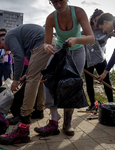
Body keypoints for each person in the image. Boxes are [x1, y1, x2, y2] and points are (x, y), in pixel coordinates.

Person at [34, 0, 95, 136]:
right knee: (47, 80)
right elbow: (46, 42)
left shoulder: (79, 12)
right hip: (59, 50)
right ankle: (54, 120)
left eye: (61, 0)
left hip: (78, 50)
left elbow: (91, 38)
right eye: (54, 2)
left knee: (71, 84)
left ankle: (67, 122)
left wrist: (76, 40)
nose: (58, 5)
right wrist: (46, 46)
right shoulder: (51, 18)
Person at [0, 24, 52, 145]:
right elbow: (33, 60)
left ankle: (24, 119)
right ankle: (39, 110)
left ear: (2, 40)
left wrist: (15, 80)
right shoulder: (22, 39)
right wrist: (26, 74)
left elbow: (19, 57)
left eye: (4, 48)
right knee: (39, 78)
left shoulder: (9, 36)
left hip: (43, 43)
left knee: (33, 80)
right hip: (50, 43)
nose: (7, 50)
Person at [82, 9, 115, 111]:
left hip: (101, 60)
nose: (98, 22)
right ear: (92, 20)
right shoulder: (86, 31)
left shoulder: (105, 30)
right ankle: (92, 104)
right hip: (87, 60)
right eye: (96, 20)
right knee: (89, 82)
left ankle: (111, 104)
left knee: (106, 81)